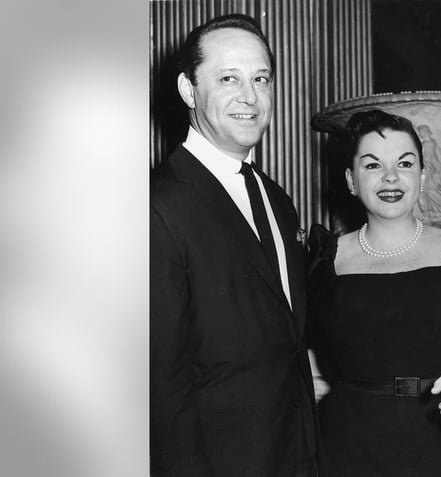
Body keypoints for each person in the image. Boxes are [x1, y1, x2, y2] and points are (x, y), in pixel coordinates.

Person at [306, 110, 441, 476]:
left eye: (405, 164)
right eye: (372, 165)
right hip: (347, 448)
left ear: (421, 176)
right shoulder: (322, 260)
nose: (391, 176)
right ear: (351, 180)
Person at [150, 14, 316, 477]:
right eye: (228, 78)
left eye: (261, 79)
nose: (250, 97)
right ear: (188, 91)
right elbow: (162, 389)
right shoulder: (156, 206)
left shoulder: (277, 200)